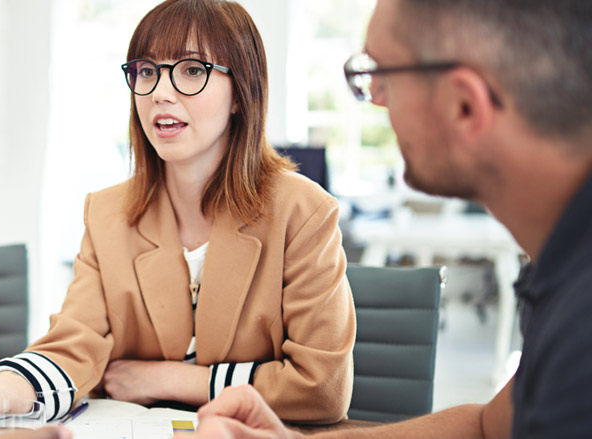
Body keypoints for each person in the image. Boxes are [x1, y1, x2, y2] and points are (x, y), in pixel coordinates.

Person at [0, 0, 356, 430]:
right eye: (147, 71)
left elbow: (321, 388)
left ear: (242, 91)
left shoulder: (303, 210)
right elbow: (71, 350)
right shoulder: (108, 213)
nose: (161, 92)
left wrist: (170, 379)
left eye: (192, 70)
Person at [185, 0, 592, 438]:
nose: (375, 99)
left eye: (382, 75)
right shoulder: (562, 266)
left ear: (464, 106)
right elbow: (486, 426)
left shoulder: (580, 330)